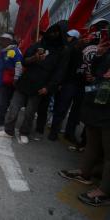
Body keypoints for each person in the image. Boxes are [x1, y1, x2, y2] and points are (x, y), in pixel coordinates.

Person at [0, 22, 70, 144]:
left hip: (40, 86)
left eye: (57, 33)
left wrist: (48, 87)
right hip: (25, 82)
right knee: (14, 107)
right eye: (52, 31)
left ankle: (24, 132)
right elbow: (24, 61)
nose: (53, 35)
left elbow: (59, 73)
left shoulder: (62, 52)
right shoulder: (38, 45)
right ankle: (8, 131)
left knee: (30, 112)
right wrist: (34, 58)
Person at [58, 36, 110, 207]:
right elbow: (95, 75)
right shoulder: (106, 52)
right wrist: (100, 56)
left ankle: (104, 192)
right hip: (96, 105)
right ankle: (84, 173)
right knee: (92, 144)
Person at [0, 33, 23, 126]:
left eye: (4, 39)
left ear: (9, 41)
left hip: (5, 81)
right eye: (1, 39)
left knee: (2, 102)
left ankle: (1, 120)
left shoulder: (15, 51)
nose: (2, 41)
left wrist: (16, 78)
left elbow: (18, 65)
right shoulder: (0, 51)